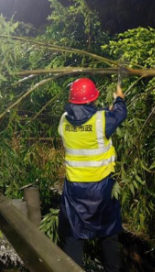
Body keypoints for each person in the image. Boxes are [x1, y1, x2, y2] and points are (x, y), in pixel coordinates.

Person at [58, 77, 127, 271]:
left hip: (75, 189)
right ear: (92, 99)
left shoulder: (63, 121)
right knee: (109, 232)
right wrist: (119, 98)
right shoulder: (102, 119)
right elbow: (120, 114)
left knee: (74, 234)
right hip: (102, 188)